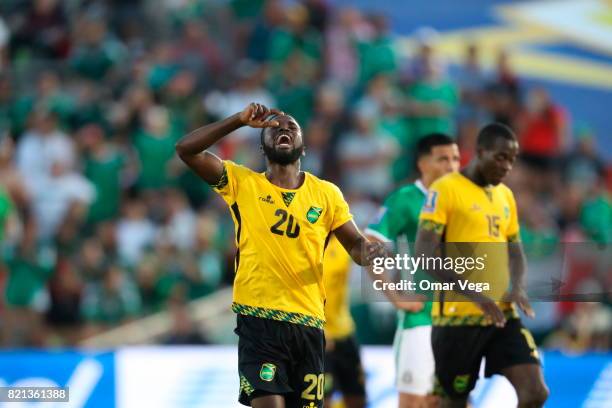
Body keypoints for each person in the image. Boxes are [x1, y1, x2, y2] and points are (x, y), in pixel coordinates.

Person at [175, 102, 386, 408]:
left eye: (292, 127)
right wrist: (237, 120)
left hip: (310, 325)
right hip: (259, 322)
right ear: (263, 146)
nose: (283, 129)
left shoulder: (327, 194)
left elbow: (355, 245)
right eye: (274, 127)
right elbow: (186, 150)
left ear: (303, 149)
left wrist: (370, 251)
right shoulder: (242, 183)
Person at [414, 123, 549, 408]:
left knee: (535, 392)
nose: (507, 166)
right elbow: (423, 254)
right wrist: (475, 295)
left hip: (502, 316)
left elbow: (515, 249)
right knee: (454, 402)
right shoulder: (445, 189)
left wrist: (518, 287)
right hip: (456, 319)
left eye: (512, 159)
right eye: (501, 157)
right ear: (479, 152)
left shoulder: (505, 196)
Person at [365, 133, 460, 408]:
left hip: (460, 321)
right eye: (443, 159)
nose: (452, 166)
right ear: (423, 163)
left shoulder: (465, 200)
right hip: (421, 320)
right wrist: (395, 297)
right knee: (415, 403)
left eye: (455, 158)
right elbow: (370, 244)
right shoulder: (406, 199)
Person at [322, 235, 366, 408]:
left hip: (345, 330)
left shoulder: (343, 245)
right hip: (319, 335)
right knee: (322, 400)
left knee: (357, 398)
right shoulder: (307, 245)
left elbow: (365, 249)